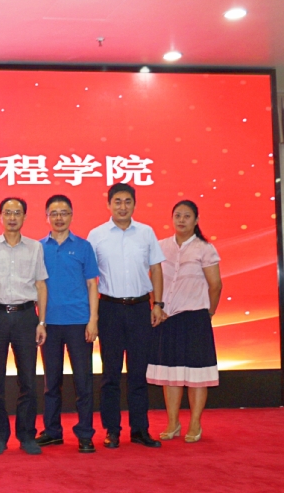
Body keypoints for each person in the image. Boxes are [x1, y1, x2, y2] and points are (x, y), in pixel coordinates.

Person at [87, 183, 165, 449]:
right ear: (108, 205)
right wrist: (92, 316)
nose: (122, 206)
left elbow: (156, 270)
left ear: (134, 204)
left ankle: (140, 430)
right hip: (109, 309)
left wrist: (158, 304)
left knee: (138, 373)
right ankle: (112, 430)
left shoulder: (146, 232)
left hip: (140, 309)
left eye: (127, 201)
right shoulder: (96, 235)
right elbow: (90, 278)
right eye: (117, 201)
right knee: (110, 374)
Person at [147, 200, 222, 443]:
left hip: (195, 318)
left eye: (187, 216)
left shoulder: (204, 248)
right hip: (167, 318)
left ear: (196, 220)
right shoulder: (161, 246)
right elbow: (153, 279)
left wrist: (208, 313)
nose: (181, 220)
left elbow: (215, 285)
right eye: (177, 215)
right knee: (171, 374)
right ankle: (173, 423)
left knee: (197, 375)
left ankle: (195, 423)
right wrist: (156, 306)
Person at [0, 198, 48, 456]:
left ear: (24, 217)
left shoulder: (35, 247)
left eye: (17, 213)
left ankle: (27, 435)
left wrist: (41, 321)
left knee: (28, 380)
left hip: (26, 317)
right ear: (0, 216)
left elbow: (41, 285)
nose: (12, 217)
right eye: (7, 213)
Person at [36, 195, 100, 454]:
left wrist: (93, 320)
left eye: (64, 212)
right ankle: (52, 432)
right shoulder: (38, 248)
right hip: (49, 323)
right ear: (47, 217)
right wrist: (39, 321)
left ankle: (85, 433)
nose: (59, 217)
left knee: (83, 381)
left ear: (72, 215)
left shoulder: (84, 247)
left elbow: (92, 284)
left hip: (79, 322)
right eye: (54, 213)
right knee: (51, 382)